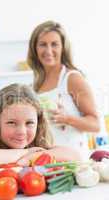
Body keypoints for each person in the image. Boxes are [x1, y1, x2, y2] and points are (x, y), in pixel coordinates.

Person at [27, 20, 100, 159]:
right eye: (43, 44)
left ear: (63, 48)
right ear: (34, 49)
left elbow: (95, 125)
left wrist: (67, 119)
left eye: (54, 44)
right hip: (48, 160)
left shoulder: (72, 78)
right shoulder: (35, 86)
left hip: (73, 162)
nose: (48, 51)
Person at [0, 83, 81, 167]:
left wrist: (33, 156)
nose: (21, 131)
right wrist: (26, 152)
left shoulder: (38, 145)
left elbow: (75, 156)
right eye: (11, 123)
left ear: (38, 123)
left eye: (29, 123)